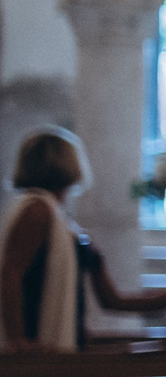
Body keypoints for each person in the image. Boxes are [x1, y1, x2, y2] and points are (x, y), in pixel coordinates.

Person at [0, 127, 102, 351]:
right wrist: (17, 339)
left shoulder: (53, 211)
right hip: (34, 336)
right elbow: (11, 273)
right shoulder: (37, 209)